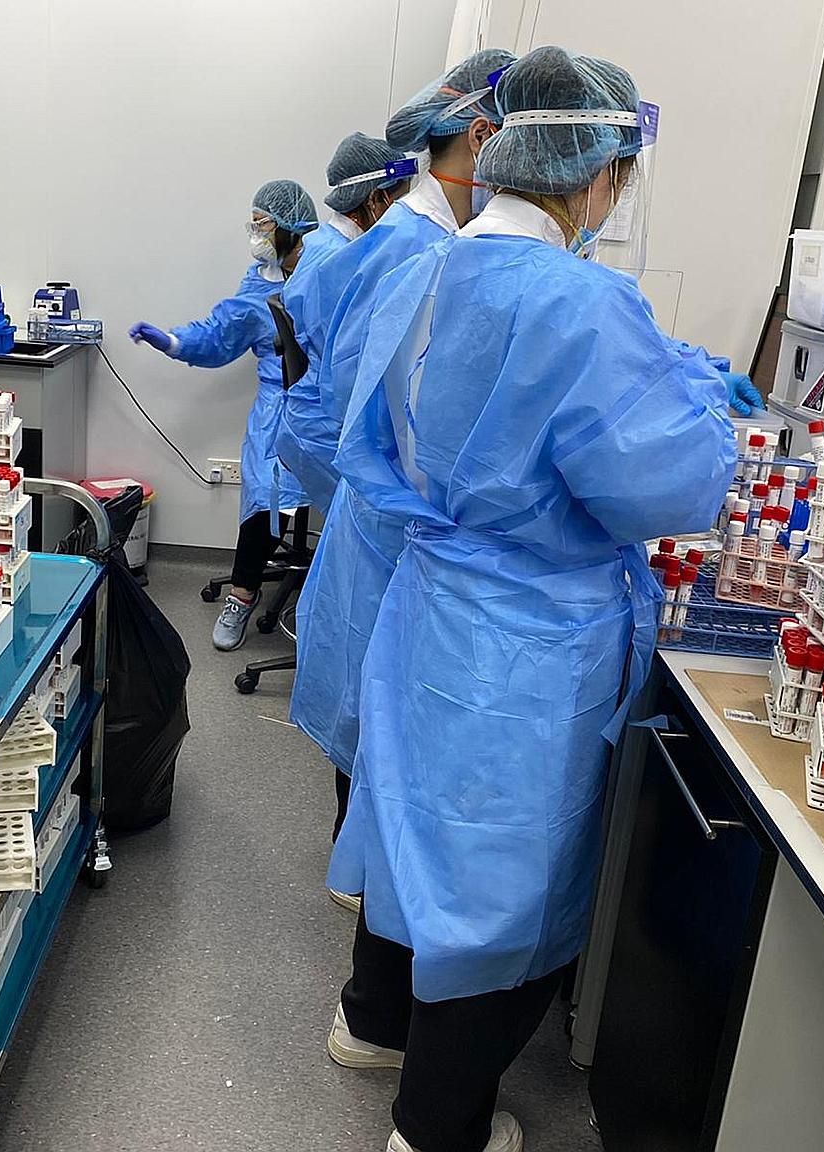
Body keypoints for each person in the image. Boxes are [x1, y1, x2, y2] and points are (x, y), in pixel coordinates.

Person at [322, 47, 737, 1152]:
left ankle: (373, 1025)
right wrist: (702, 410)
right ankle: (437, 1126)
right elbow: (666, 483)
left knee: (422, 840)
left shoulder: (425, 264)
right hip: (527, 642)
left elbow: (364, 431)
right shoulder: (581, 300)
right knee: (502, 889)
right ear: (599, 172)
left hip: (432, 607)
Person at [285, 49, 516, 893]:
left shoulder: (431, 238)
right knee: (374, 698)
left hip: (391, 509)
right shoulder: (415, 245)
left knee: (380, 695)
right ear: (486, 137)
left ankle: (367, 862)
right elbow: (361, 384)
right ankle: (361, 868)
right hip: (391, 514)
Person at [128, 180, 317, 650]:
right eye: (252, 224)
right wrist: (171, 341)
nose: (255, 234)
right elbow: (220, 334)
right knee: (264, 494)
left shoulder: (329, 270)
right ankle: (242, 594)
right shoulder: (259, 282)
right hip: (280, 407)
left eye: (262, 224)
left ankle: (328, 604)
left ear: (291, 226)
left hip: (333, 404)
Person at [277, 132, 413, 512]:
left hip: (313, 414)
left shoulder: (324, 243)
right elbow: (349, 358)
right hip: (325, 426)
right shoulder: (342, 258)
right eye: (400, 202)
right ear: (375, 199)